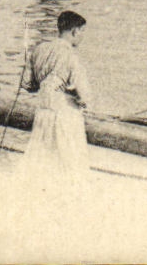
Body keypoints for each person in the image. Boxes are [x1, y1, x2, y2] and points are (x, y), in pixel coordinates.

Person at [21, 10, 91, 181]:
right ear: (75, 31)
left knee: (41, 164)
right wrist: (81, 100)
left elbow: (27, 85)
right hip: (65, 117)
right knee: (71, 167)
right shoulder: (71, 56)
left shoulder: (38, 50)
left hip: (43, 114)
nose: (82, 37)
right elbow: (85, 96)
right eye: (82, 32)